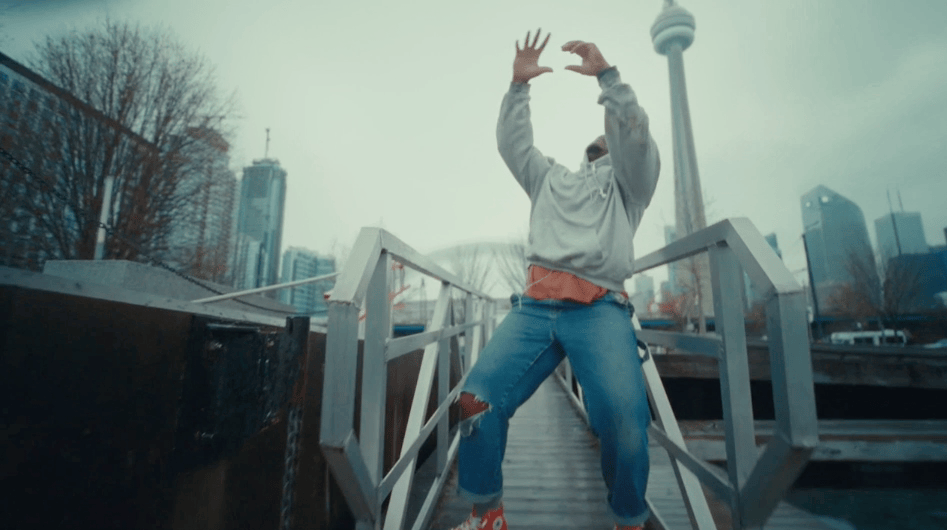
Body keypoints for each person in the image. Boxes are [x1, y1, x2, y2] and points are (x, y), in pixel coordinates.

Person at [448, 28, 660, 530]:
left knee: (624, 420)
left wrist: (608, 79)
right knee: (476, 400)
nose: (607, 145)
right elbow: (513, 145)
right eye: (599, 144)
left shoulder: (629, 187)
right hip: (535, 307)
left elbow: (634, 138)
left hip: (600, 309)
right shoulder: (550, 179)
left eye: (612, 141)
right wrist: (518, 87)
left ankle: (628, 520)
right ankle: (487, 514)